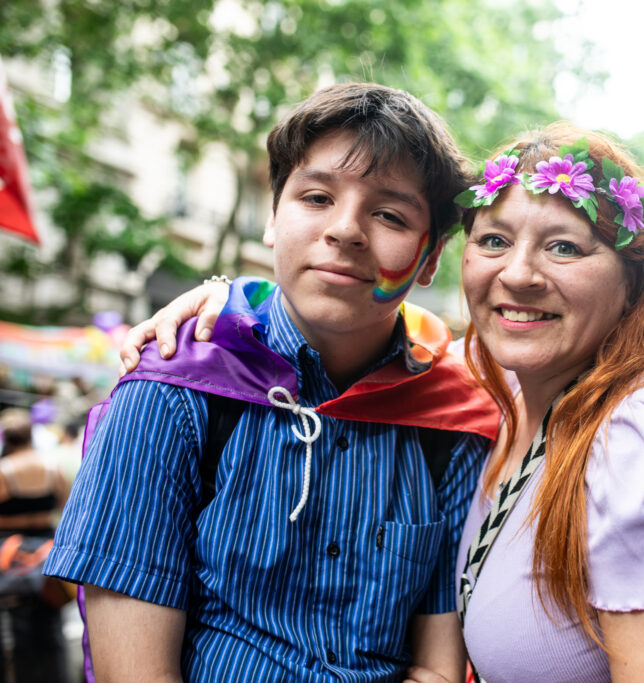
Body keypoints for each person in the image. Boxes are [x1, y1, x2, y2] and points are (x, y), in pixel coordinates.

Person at [129, 122, 644, 681]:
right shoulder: (503, 392)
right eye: (493, 239)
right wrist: (232, 309)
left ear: (632, 283)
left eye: (564, 246)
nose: (518, 275)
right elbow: (358, 320)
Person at [43, 83, 500, 682]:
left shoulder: (453, 424)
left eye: (389, 214)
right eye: (315, 197)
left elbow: (437, 667)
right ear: (272, 218)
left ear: (431, 257)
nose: (345, 230)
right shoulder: (171, 390)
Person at [0, 407, 72, 683]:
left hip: (10, 556)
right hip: (46, 554)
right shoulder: (52, 468)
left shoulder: (4, 471)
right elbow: (66, 510)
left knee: (14, 628)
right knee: (51, 625)